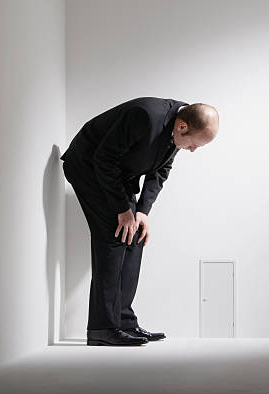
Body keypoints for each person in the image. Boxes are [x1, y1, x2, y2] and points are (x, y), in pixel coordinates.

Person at [60, 96, 219, 346]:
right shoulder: (144, 116)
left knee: (134, 235)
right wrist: (123, 209)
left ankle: (124, 322)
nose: (192, 150)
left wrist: (142, 211)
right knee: (115, 235)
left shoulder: (184, 120)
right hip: (88, 167)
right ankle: (103, 328)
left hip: (117, 175)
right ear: (182, 127)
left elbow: (161, 170)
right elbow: (104, 159)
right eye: (193, 145)